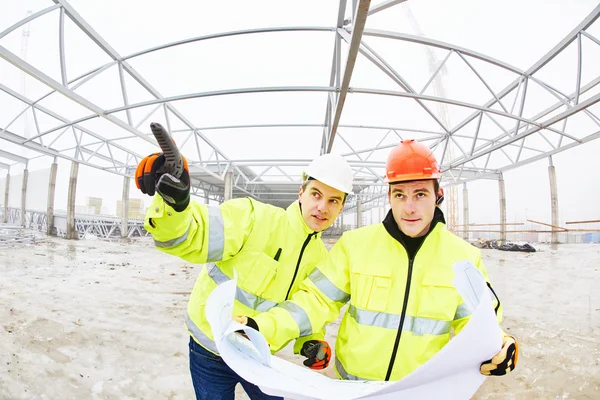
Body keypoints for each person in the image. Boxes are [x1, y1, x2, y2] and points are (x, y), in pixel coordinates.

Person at [241, 139, 518, 381]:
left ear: (437, 196)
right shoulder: (354, 246)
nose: (409, 207)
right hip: (355, 391)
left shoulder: (465, 258)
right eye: (400, 195)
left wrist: (501, 345)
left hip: (419, 392)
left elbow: (480, 325)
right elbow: (314, 302)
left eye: (420, 194)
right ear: (389, 197)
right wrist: (262, 327)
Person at [134, 147, 354, 400]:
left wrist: (311, 341)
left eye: (333, 200)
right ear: (301, 193)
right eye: (316, 194)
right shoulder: (254, 219)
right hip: (210, 350)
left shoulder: (321, 259)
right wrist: (175, 204)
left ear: (341, 208)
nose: (322, 207)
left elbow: (304, 309)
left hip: (258, 357)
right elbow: (194, 235)